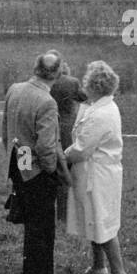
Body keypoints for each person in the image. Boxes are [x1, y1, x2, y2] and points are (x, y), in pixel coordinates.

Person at [3, 51, 66, 274]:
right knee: (42, 220)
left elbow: (6, 129)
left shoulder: (15, 89)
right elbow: (47, 146)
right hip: (36, 164)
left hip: (19, 158)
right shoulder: (47, 101)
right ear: (58, 73)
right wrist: (50, 171)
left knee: (31, 217)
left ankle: (30, 270)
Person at [67, 61, 127, 274]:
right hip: (98, 172)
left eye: (87, 84)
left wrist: (62, 156)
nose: (85, 88)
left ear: (95, 86)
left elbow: (82, 149)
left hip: (98, 174)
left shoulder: (101, 114)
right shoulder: (102, 107)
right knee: (94, 219)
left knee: (102, 222)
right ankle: (99, 266)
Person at [49, 60, 87, 223]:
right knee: (65, 169)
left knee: (51, 170)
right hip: (66, 129)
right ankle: (63, 215)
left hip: (49, 127)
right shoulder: (72, 82)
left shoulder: (49, 82)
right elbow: (83, 97)